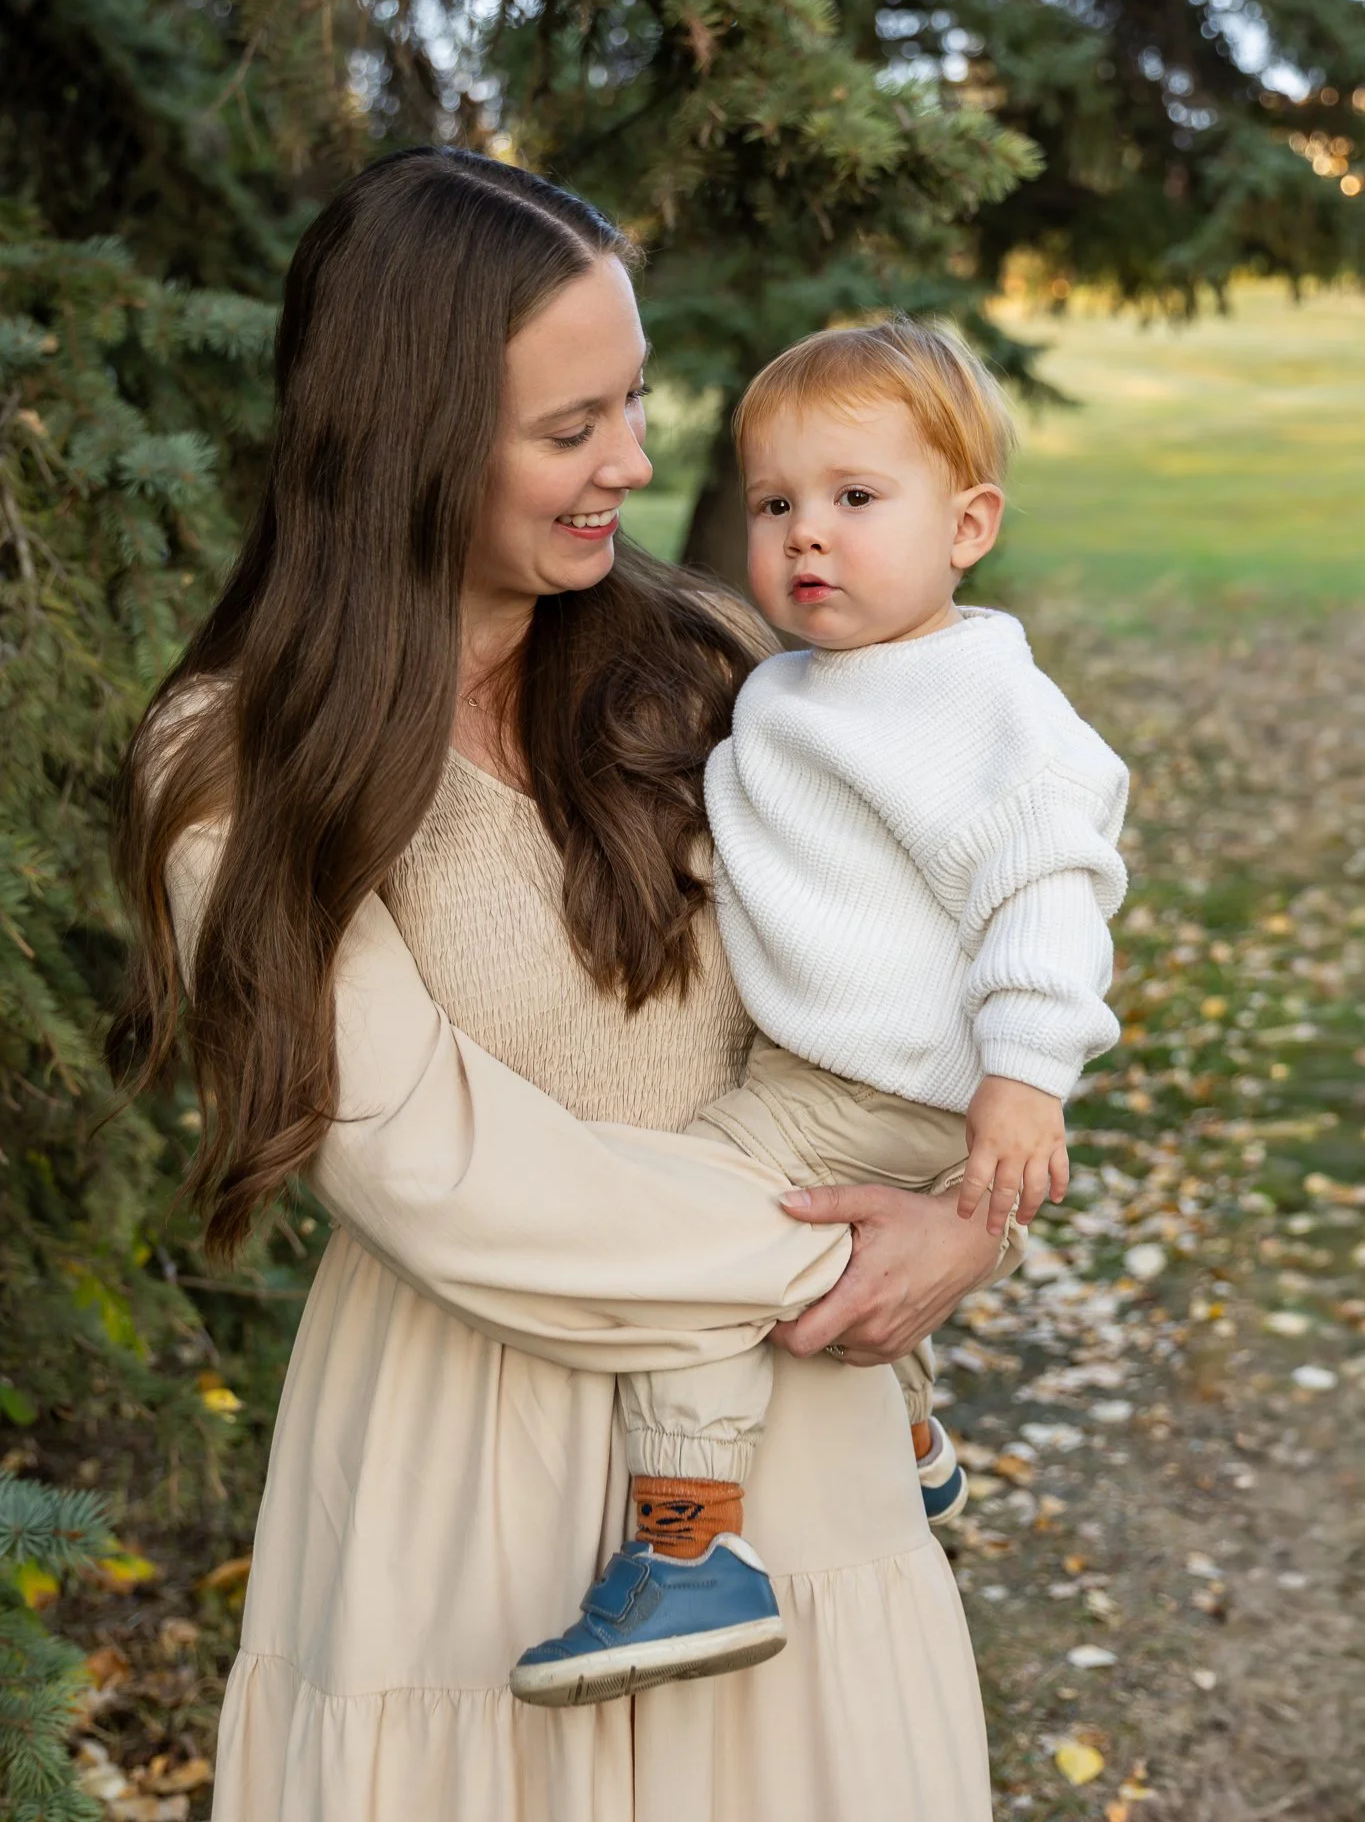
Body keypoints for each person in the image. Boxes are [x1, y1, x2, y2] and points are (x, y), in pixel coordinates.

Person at [106, 146, 1004, 1822]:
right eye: (569, 427)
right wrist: (863, 1252)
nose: (636, 463)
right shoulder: (243, 764)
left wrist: (968, 1217)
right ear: (411, 429)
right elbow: (438, 1174)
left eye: (635, 404)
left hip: (786, 1453)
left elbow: (933, 964)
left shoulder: (724, 673)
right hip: (468, 1449)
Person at [511, 319, 1131, 1708]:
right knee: (805, 1262)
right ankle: (912, 1444)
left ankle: (690, 1547)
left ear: (969, 523)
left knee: (686, 1229)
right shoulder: (800, 686)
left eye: (858, 501)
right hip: (848, 1070)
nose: (808, 537)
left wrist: (1026, 1075)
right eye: (780, 503)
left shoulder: (980, 703)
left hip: (883, 1086)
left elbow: (1048, 882)